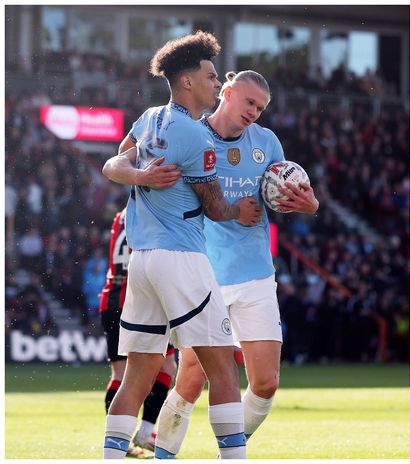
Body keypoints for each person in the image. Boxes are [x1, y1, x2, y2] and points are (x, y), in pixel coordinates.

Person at [100, 31, 260, 459]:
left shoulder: (149, 118)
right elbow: (215, 208)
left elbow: (112, 164)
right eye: (210, 76)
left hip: (142, 262)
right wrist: (240, 210)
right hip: (182, 259)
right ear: (187, 81)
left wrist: (139, 176)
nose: (217, 84)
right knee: (222, 369)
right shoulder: (196, 137)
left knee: (136, 377)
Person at [145, 71, 316, 458]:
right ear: (227, 91)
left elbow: (289, 189)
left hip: (256, 276)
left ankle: (231, 446)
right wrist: (230, 211)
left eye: (261, 108)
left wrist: (310, 204)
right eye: (249, 102)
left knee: (266, 384)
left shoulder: (266, 142)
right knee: (191, 378)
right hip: (205, 276)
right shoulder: (192, 137)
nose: (254, 112)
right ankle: (164, 455)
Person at [99, 206, 177, 457]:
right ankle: (144, 431)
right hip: (141, 300)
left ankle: (117, 439)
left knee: (121, 374)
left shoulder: (120, 216)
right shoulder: (150, 210)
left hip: (111, 298)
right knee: (166, 367)